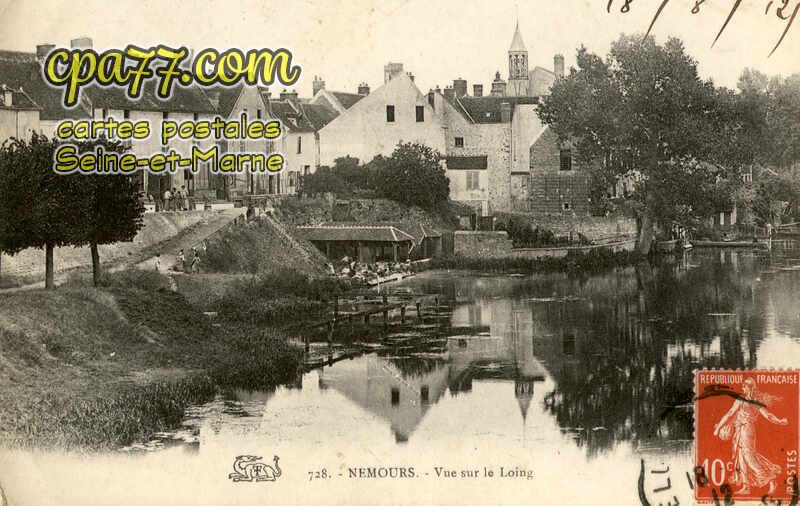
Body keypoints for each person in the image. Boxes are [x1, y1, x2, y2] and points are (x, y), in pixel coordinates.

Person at [713, 378, 787, 495]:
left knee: (749, 456)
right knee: (741, 456)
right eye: (743, 386)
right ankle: (746, 486)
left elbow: (766, 415)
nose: (743, 388)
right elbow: (730, 414)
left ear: (750, 387)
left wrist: (779, 421)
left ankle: (770, 478)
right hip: (740, 429)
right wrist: (718, 427)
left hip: (747, 429)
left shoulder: (752, 401)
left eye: (745, 386)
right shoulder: (743, 400)